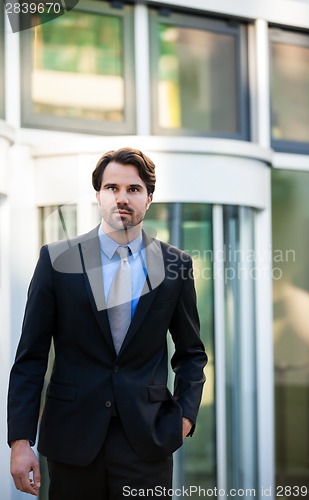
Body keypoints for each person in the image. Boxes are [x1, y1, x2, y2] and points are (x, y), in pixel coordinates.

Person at [7, 147, 207, 499]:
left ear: (149, 199)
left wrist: (184, 419)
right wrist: (21, 442)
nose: (122, 198)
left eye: (133, 189)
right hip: (72, 440)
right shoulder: (57, 260)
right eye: (112, 188)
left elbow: (191, 354)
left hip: (147, 440)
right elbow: (30, 356)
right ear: (98, 195)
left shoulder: (176, 264)